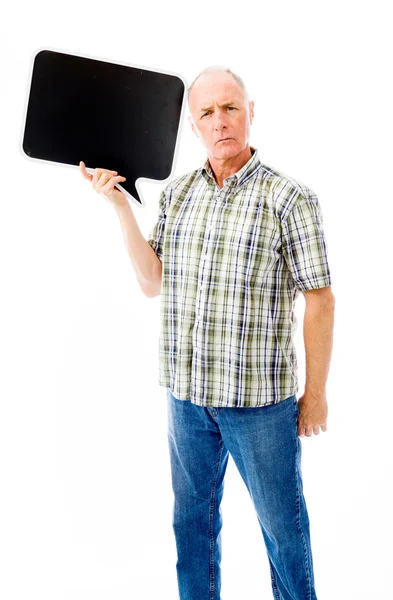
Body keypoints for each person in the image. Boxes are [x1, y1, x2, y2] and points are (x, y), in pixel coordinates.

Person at [80, 65, 335, 600]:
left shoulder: (289, 199)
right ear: (193, 124)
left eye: (230, 108)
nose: (220, 121)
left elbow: (320, 299)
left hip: (259, 406)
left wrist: (315, 395)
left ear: (249, 113)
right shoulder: (176, 195)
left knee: (284, 535)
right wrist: (120, 204)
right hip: (186, 399)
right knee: (191, 530)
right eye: (207, 112)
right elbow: (153, 283)